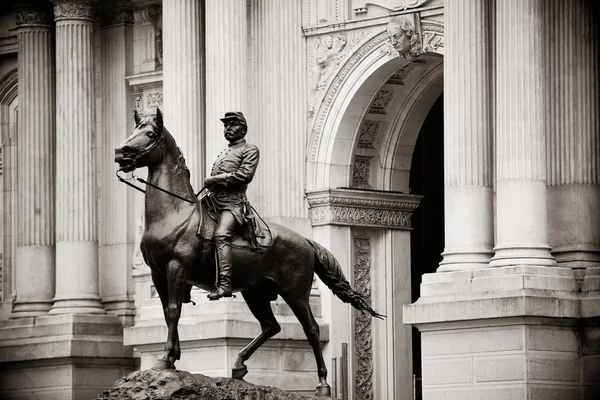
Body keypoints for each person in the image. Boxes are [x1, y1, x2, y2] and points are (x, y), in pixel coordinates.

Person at [203, 111, 260, 300]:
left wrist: (216, 179)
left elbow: (245, 175)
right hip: (213, 202)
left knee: (221, 235)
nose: (227, 129)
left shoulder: (250, 149)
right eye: (226, 125)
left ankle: (225, 285)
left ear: (243, 128)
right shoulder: (225, 152)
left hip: (233, 204)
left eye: (232, 125)